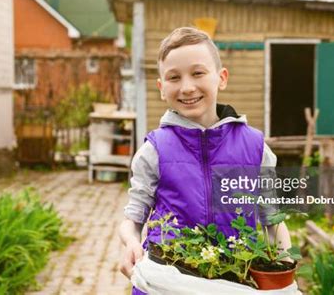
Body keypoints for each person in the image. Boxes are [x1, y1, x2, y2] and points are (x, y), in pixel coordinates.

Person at [118, 27, 291, 293]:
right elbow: (133, 216)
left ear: (221, 78)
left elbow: (272, 220)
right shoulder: (155, 150)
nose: (187, 87)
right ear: (162, 88)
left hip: (233, 280)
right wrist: (129, 242)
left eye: (198, 73)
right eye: (174, 77)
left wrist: (284, 270)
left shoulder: (256, 148)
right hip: (165, 284)